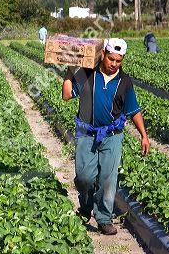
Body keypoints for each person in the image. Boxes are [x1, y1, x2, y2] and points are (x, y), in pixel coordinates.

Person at [62, 38, 150, 235]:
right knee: (84, 177)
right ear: (103, 55)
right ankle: (85, 207)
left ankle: (103, 218)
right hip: (87, 133)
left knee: (108, 179)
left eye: (119, 61)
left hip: (112, 135)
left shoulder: (125, 82)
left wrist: (143, 135)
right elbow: (67, 95)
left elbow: (133, 110)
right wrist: (69, 71)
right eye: (111, 59)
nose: (114, 64)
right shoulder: (88, 73)